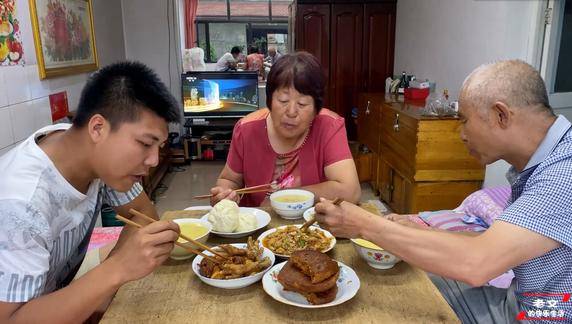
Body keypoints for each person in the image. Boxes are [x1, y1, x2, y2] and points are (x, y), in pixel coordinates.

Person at [314, 60, 572, 323]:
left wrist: (363, 223)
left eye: (464, 120)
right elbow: (491, 245)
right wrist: (421, 231)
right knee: (405, 283)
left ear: (501, 115)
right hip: (520, 301)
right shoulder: (545, 159)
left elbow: (477, 264)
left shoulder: (564, 176)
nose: (461, 134)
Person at [0, 62, 182, 323]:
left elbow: (143, 213)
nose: (154, 160)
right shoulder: (20, 205)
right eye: (144, 143)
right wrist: (116, 270)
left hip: (52, 294)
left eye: (159, 146)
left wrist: (111, 276)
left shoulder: (87, 150)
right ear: (98, 128)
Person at [210, 51, 361, 207]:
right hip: (260, 225)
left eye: (302, 104)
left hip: (313, 225)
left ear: (317, 109)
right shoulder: (246, 129)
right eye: (283, 100)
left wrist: (289, 197)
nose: (291, 112)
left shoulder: (329, 126)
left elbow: (350, 191)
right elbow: (230, 179)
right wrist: (225, 193)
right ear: (269, 100)